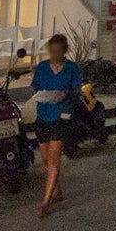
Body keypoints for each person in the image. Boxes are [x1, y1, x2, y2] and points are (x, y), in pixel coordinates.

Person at [31, 33, 83, 218]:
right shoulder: (43, 67)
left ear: (64, 51)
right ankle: (57, 191)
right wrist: (43, 94)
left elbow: (77, 90)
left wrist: (65, 94)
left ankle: (46, 201)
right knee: (45, 158)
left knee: (54, 159)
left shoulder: (72, 69)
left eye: (57, 51)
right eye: (51, 51)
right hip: (43, 114)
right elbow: (35, 86)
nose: (54, 54)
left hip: (61, 115)